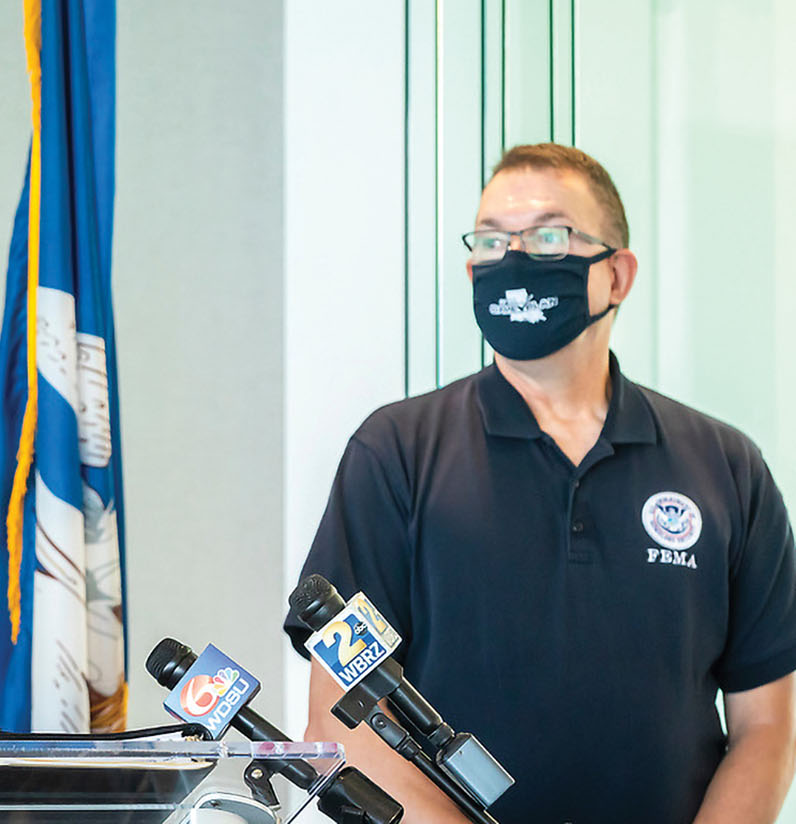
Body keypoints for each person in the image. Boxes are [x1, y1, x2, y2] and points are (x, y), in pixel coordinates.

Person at [287, 143, 796, 823]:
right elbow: (342, 716)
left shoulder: (726, 468)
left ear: (617, 275)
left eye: (548, 235)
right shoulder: (395, 454)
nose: (514, 258)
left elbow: (767, 725)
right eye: (493, 239)